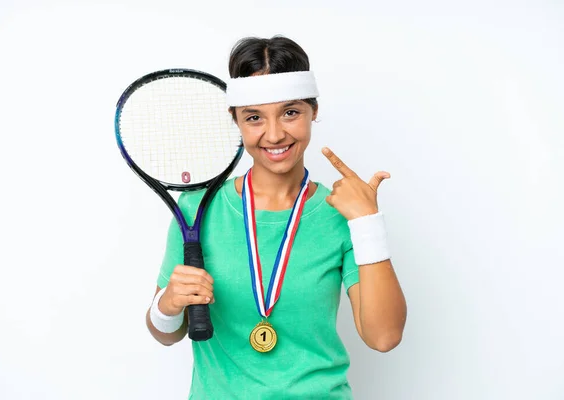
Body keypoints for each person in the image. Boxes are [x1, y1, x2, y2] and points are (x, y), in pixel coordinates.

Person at [145, 35, 407, 399]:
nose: (274, 134)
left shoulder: (343, 213)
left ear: (314, 110)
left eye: (290, 112)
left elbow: (384, 336)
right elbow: (164, 332)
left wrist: (367, 223)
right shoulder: (197, 208)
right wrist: (168, 303)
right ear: (235, 119)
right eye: (254, 117)